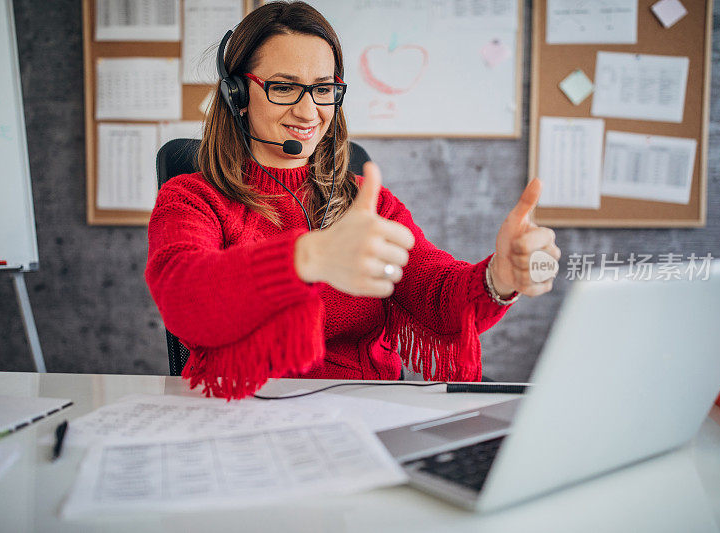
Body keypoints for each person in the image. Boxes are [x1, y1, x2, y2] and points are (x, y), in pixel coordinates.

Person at [145, 1, 560, 400]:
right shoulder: (192, 198)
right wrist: (305, 258)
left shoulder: (366, 200)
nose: (309, 112)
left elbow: (435, 293)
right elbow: (185, 296)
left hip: (368, 414)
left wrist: (500, 277)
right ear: (237, 94)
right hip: (246, 418)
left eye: (323, 89)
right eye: (284, 87)